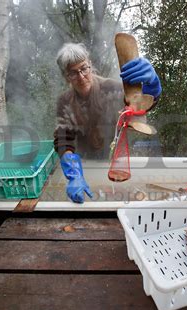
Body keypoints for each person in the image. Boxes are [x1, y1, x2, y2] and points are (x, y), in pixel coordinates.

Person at [54, 42, 162, 203]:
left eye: (84, 68)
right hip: (85, 164)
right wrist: (74, 175)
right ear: (65, 76)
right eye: (73, 73)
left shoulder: (111, 88)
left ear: (90, 65)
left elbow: (137, 104)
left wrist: (152, 86)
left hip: (117, 162)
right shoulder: (65, 101)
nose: (81, 76)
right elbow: (63, 140)